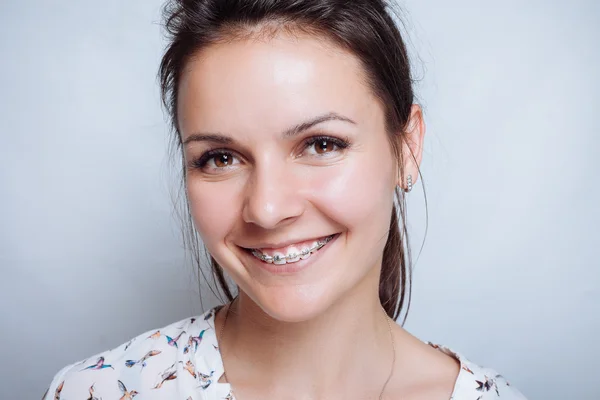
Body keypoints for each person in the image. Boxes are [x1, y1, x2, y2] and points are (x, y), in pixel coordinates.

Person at [43, 0, 528, 399]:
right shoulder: (100, 389)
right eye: (221, 158)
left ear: (406, 147)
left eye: (321, 144)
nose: (268, 209)